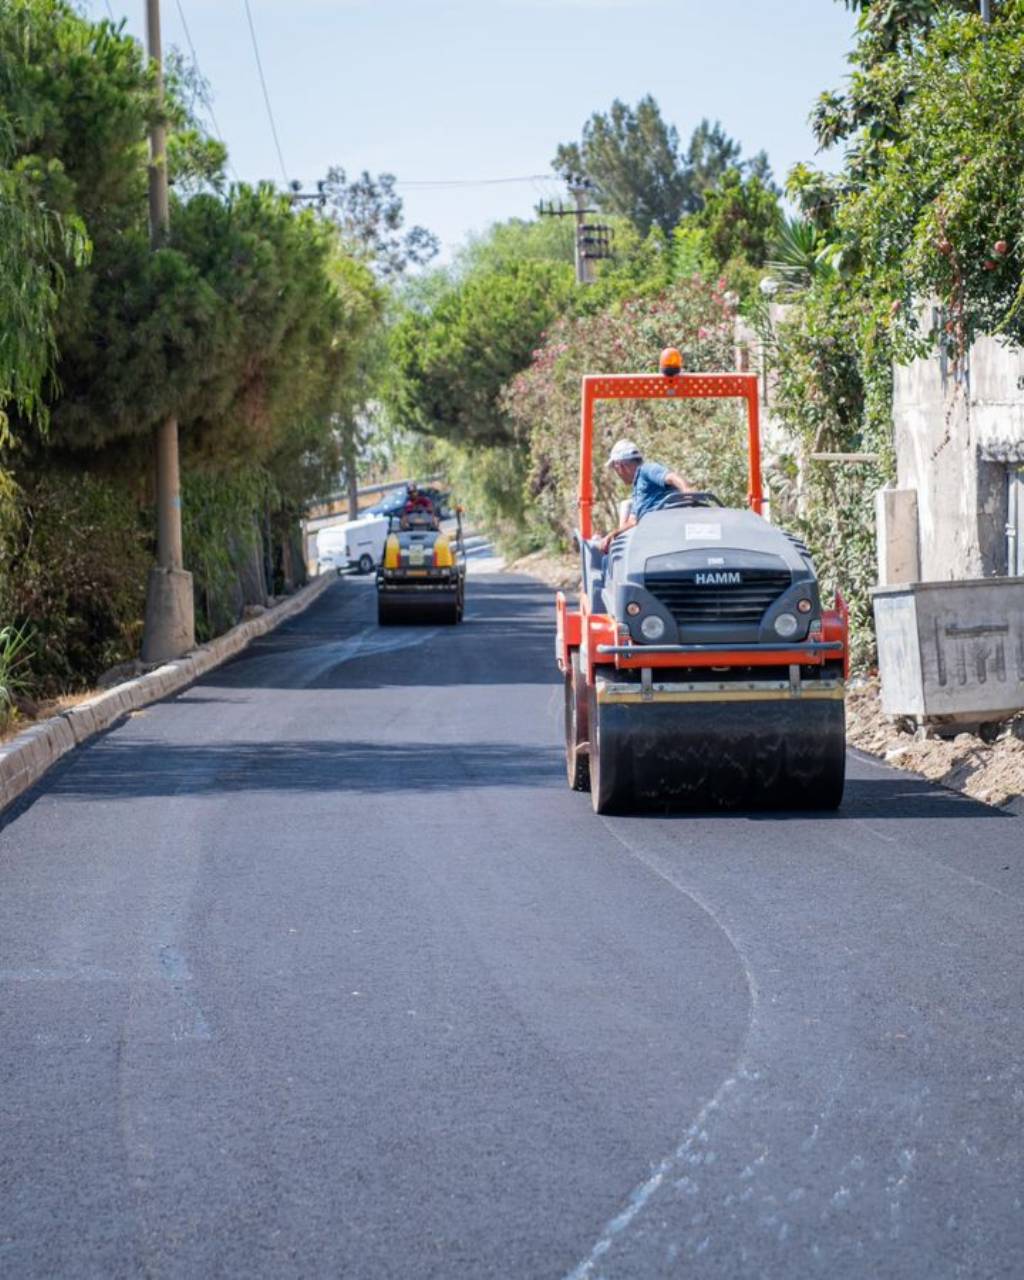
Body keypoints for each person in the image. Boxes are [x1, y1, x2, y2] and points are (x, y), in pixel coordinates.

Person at [598, 439, 693, 553]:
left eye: (615, 468)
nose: (617, 473)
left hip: (666, 526)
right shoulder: (637, 490)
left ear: (620, 466)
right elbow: (633, 521)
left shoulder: (646, 470)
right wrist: (612, 534)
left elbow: (672, 478)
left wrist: (687, 492)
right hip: (652, 533)